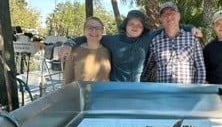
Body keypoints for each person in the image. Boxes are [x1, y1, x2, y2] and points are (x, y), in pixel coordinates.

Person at [59, 10, 199, 82]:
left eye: (139, 25)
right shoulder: (113, 40)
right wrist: (69, 43)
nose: (135, 27)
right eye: (132, 24)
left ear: (143, 28)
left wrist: (190, 27)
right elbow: (90, 35)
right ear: (126, 25)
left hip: (138, 88)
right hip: (116, 88)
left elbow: (170, 25)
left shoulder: (147, 37)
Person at [142, 2, 206, 84]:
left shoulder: (192, 38)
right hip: (163, 94)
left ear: (179, 16)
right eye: (164, 15)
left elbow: (200, 68)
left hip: (187, 94)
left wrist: (197, 91)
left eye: (172, 13)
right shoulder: (155, 42)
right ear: (161, 19)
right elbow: (148, 69)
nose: (168, 17)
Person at [62, 16, 111, 85]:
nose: (94, 31)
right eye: (90, 28)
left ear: (102, 31)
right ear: (84, 31)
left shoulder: (108, 51)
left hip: (104, 94)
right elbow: (67, 80)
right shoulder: (73, 52)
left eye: (98, 28)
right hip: (82, 95)